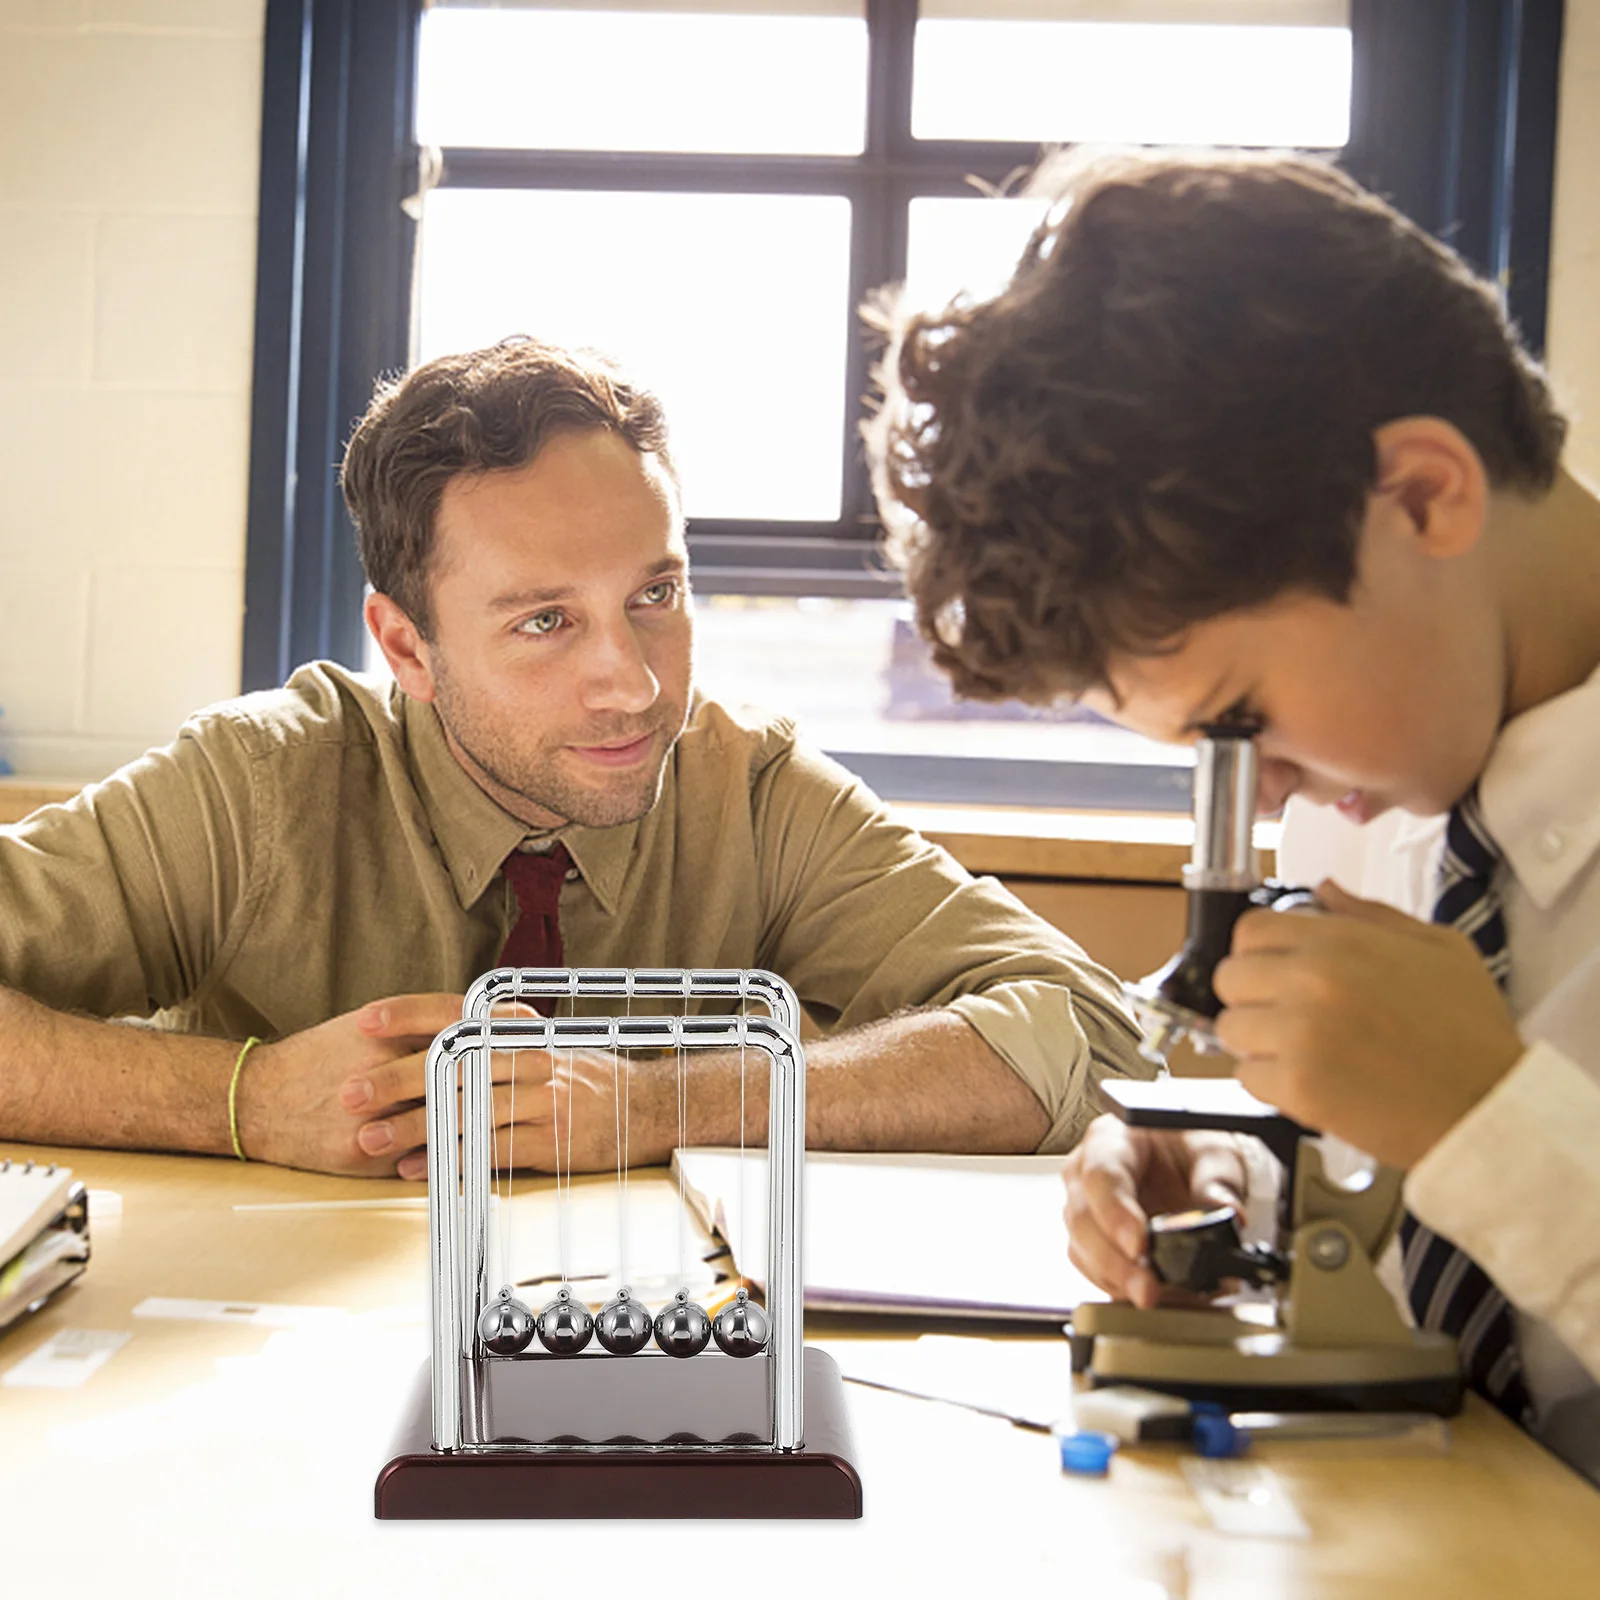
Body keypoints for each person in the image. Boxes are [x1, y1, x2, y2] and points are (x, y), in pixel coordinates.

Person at [864, 148, 1600, 1482]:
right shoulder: (1381, 778)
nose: (1258, 802)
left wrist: (1483, 1118)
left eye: (1242, 719)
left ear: (1425, 497)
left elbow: (1497, 1154)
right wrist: (1243, 1183)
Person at [0, 336, 1147, 1183]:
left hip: (649, 1377)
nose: (635, 683)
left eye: (655, 594)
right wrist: (241, 1101)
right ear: (406, 644)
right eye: (544, 621)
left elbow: (1089, 1035)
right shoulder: (259, 783)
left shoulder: (745, 785)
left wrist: (661, 1107)